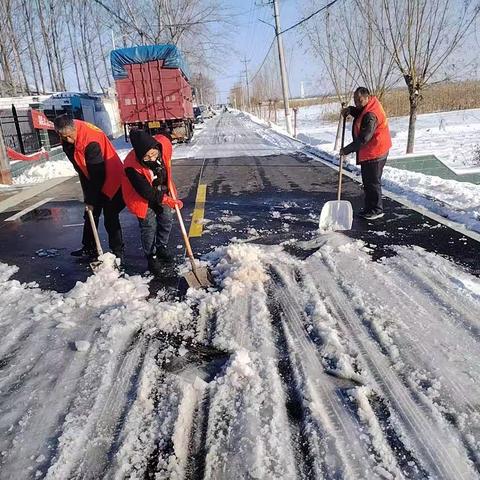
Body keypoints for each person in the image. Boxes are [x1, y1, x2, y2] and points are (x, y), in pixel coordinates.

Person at [54, 115, 126, 262]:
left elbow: (98, 175)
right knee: (90, 214)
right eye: (63, 136)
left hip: (112, 178)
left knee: (110, 216)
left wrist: (92, 199)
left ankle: (117, 252)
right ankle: (89, 247)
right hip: (92, 175)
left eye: (69, 136)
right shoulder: (67, 134)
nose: (67, 139)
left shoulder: (91, 141)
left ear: (75, 129)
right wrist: (88, 197)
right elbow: (80, 167)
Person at [122, 129, 183, 276]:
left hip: (160, 188)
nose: (152, 158)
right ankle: (151, 257)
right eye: (147, 157)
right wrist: (166, 199)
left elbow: (165, 136)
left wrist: (173, 133)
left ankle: (161, 247)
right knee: (149, 225)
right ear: (139, 155)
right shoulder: (131, 165)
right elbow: (145, 192)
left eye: (154, 154)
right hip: (140, 196)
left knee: (166, 218)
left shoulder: (162, 145)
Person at [340, 87, 392, 220]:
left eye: (360, 100)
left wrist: (347, 150)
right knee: (368, 182)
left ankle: (376, 210)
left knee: (372, 182)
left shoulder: (371, 115)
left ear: (367, 97)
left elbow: (364, 138)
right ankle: (370, 208)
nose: (357, 103)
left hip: (375, 151)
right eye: (355, 100)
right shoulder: (369, 106)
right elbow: (360, 111)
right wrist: (351, 110)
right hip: (373, 150)